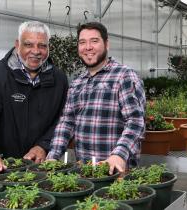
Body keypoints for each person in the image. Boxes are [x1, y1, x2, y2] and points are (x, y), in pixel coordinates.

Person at [46, 22, 146, 175]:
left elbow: (135, 121)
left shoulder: (124, 76)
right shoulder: (77, 82)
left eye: (94, 41)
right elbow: (67, 122)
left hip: (116, 171)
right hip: (84, 172)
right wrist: (53, 156)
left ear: (106, 44)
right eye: (82, 42)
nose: (88, 47)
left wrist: (118, 154)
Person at [0, 21, 69, 176]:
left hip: (43, 164)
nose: (36, 51)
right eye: (28, 44)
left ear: (48, 47)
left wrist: (43, 146)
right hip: (4, 165)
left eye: (42, 45)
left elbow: (63, 118)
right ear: (18, 44)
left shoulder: (59, 79)